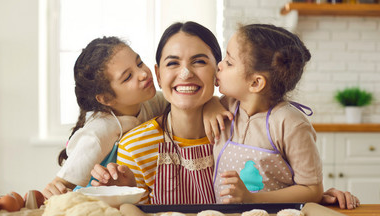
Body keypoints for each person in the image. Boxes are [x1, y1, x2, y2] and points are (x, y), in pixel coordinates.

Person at [204, 23, 360, 209]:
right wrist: (209, 104)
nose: (219, 65)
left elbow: (312, 190)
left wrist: (252, 199)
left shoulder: (290, 123)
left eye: (229, 62)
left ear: (255, 82)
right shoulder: (225, 106)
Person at [90, 21, 221, 204]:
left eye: (199, 61)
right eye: (173, 63)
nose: (185, 73)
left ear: (218, 71)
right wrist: (126, 200)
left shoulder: (241, 133)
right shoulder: (134, 149)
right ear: (158, 76)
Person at [42, 36, 169, 199]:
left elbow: (185, 104)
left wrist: (212, 104)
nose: (143, 73)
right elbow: (61, 184)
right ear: (106, 98)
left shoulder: (152, 102)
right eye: (128, 77)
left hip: (133, 199)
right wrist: (52, 192)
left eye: (139, 63)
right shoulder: (98, 131)